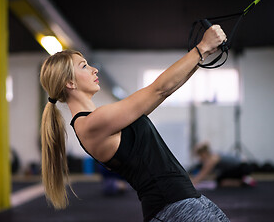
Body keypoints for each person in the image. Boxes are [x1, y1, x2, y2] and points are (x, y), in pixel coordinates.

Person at [40, 25, 230, 222]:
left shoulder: (102, 118)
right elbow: (159, 89)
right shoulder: (91, 124)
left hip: (186, 201)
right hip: (173, 208)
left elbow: (166, 91)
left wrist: (203, 54)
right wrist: (202, 47)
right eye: (84, 66)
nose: (94, 69)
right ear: (70, 83)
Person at [191, 142, 256, 188]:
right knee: (219, 179)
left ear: (204, 153)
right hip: (238, 167)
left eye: (200, 156)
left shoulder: (213, 159)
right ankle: (243, 180)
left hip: (242, 167)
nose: (200, 158)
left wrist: (193, 183)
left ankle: (244, 181)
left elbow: (203, 173)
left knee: (220, 181)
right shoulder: (213, 156)